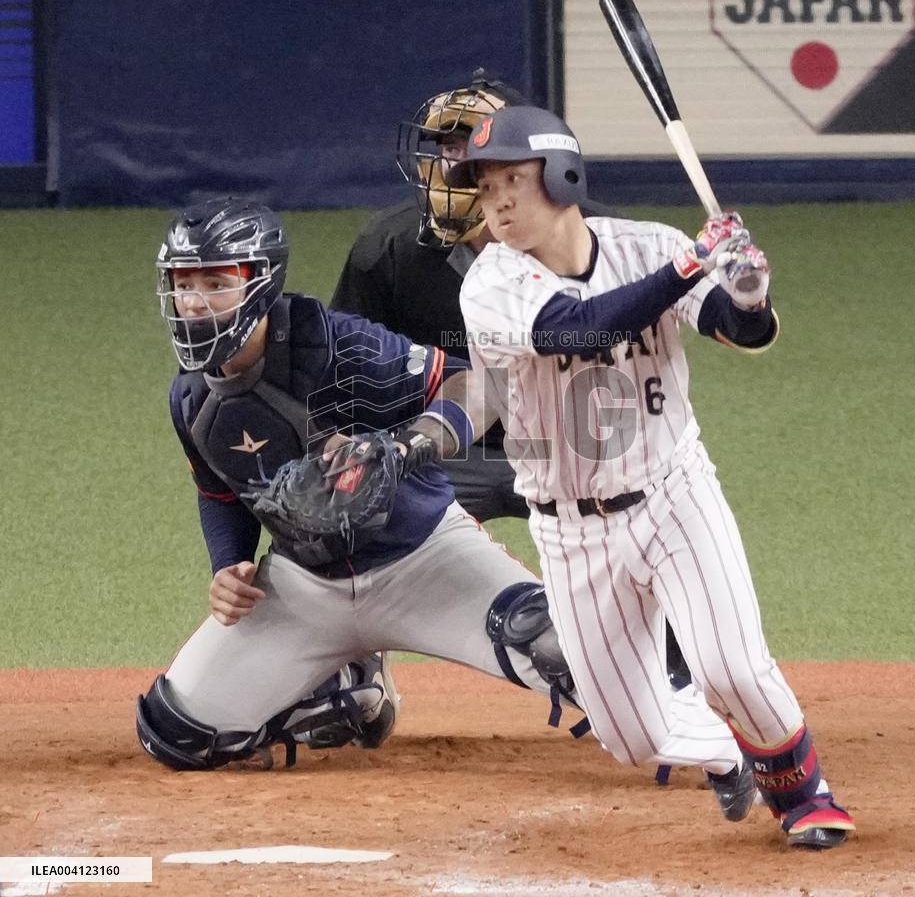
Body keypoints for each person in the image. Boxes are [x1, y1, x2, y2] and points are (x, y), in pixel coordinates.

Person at [448, 105, 856, 849]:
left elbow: (741, 332)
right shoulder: (490, 282)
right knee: (631, 737)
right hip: (569, 530)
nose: (498, 200)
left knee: (728, 664)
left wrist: (747, 289)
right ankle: (731, 751)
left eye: (514, 178)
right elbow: (580, 327)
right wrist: (690, 265)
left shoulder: (648, 246)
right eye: (485, 186)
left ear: (563, 175)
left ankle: (802, 793)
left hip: (672, 494)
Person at [135, 196, 584, 772]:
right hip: (305, 584)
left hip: (424, 558)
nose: (194, 303)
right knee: (178, 732)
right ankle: (345, 687)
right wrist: (228, 563)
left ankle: (710, 713)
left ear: (261, 284)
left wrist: (405, 446)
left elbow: (478, 387)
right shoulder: (192, 400)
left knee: (554, 649)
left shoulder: (339, 346)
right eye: (182, 285)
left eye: (216, 283)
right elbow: (220, 492)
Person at [333, 73, 693, 702]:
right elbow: (351, 374)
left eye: (468, 143)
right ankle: (352, 664)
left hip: (573, 450)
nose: (453, 163)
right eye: (442, 147)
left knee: (640, 527)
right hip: (449, 450)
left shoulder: (595, 239)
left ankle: (674, 676)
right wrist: (362, 452)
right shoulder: (385, 249)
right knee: (354, 506)